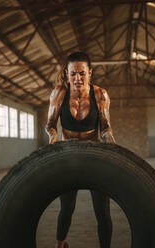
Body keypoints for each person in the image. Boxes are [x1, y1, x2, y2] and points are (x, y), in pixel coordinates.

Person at [45, 51, 115, 248]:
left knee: (102, 212)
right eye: (73, 73)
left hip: (94, 157)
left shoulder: (100, 94)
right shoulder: (58, 93)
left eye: (82, 73)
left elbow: (106, 126)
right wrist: (53, 137)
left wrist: (110, 139)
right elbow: (49, 124)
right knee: (66, 208)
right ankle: (60, 245)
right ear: (67, 73)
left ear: (90, 72)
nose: (78, 78)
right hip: (69, 157)